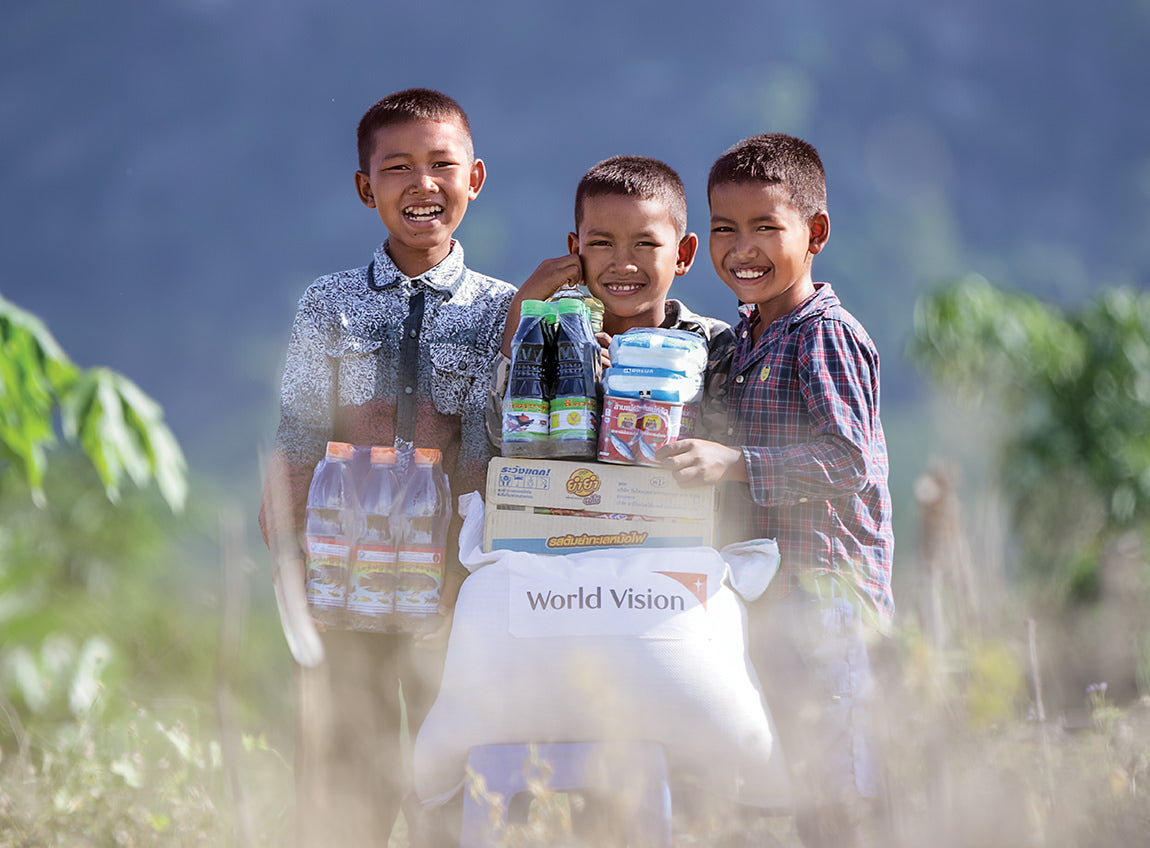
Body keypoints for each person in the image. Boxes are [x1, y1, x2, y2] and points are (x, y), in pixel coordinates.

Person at [258, 88, 515, 848]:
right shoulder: (327, 303)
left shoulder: (499, 307)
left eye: (441, 165)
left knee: (450, 755)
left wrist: (468, 570)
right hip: (342, 573)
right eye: (397, 167)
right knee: (347, 760)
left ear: (475, 178)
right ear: (367, 188)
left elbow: (488, 447)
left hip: (450, 576)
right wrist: (289, 555)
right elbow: (298, 432)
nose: (422, 184)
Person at [658, 133, 894, 847]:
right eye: (726, 229)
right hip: (771, 598)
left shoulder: (823, 335)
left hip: (826, 603)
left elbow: (847, 459)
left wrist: (735, 463)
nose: (743, 248)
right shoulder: (751, 336)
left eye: (767, 227)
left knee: (836, 792)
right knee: (778, 786)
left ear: (815, 233)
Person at [488, 154, 735, 445]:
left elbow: (721, 448)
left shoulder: (710, 343)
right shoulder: (553, 338)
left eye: (644, 244)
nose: (623, 264)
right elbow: (499, 434)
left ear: (682, 255)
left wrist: (630, 384)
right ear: (575, 249)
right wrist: (527, 302)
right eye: (602, 244)